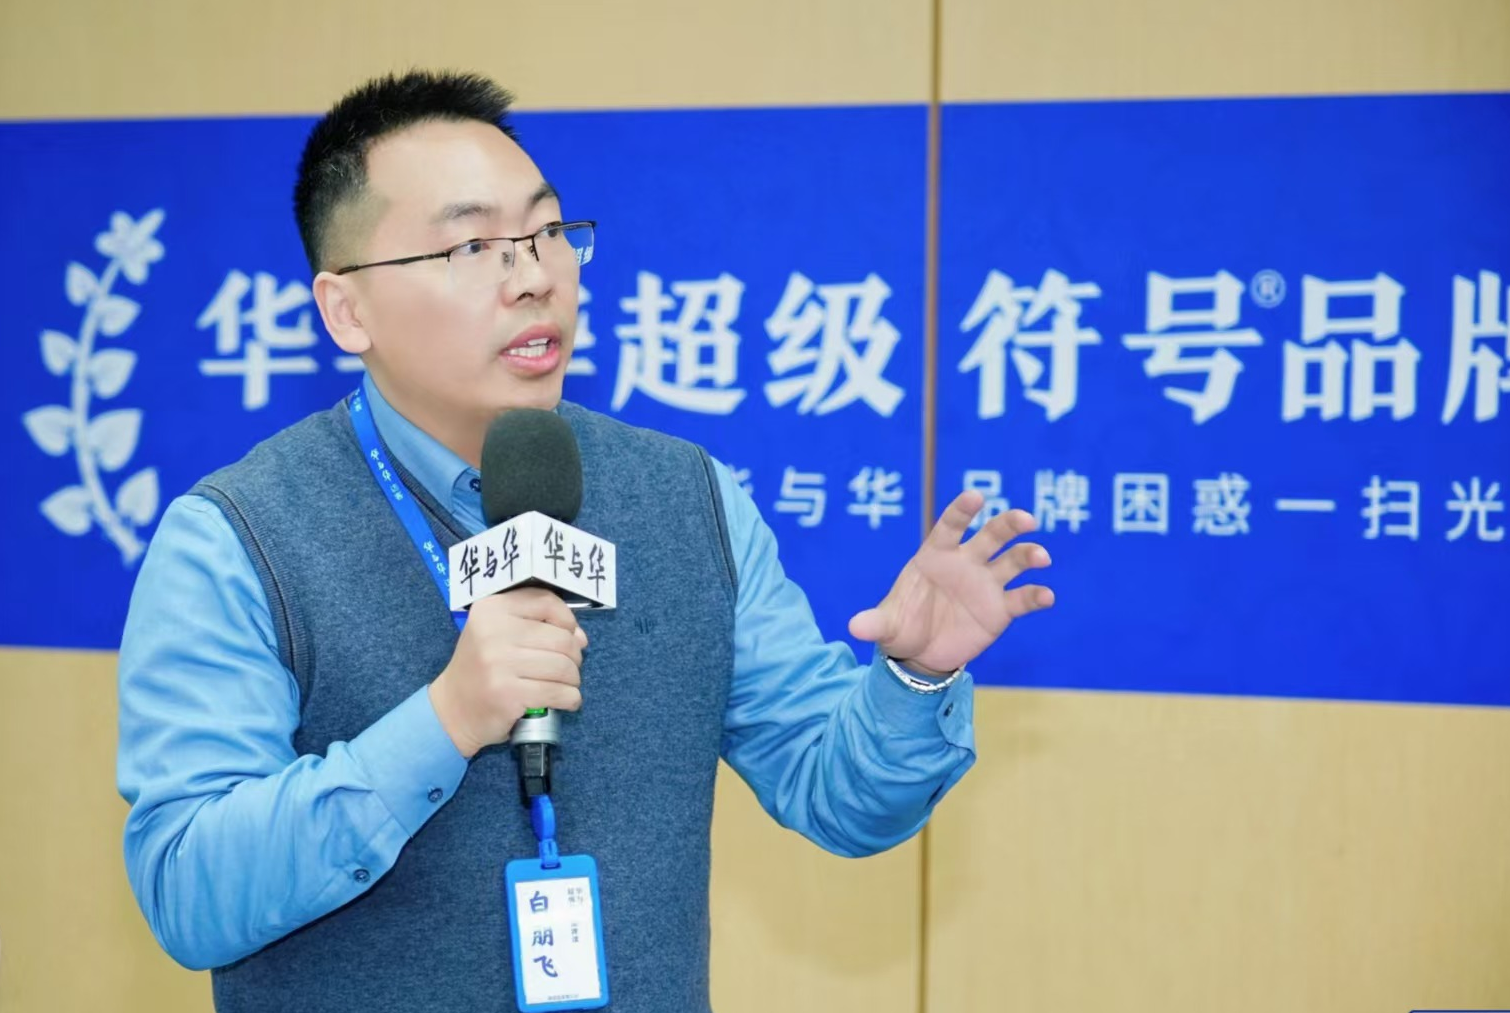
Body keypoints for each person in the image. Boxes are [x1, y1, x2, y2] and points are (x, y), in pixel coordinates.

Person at [116, 69, 1054, 1013]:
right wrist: (446, 719)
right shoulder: (235, 539)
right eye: (472, 246)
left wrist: (913, 679)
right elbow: (189, 889)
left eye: (547, 232)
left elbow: (839, 793)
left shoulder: (688, 497)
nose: (534, 276)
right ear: (346, 309)